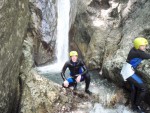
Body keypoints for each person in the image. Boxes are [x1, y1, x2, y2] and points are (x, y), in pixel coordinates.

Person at [121, 37, 150, 112]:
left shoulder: (135, 49)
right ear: (137, 46)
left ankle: (133, 107)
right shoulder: (139, 53)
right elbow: (147, 56)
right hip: (129, 72)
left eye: (144, 45)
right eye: (142, 46)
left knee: (135, 89)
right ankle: (137, 106)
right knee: (144, 88)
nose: (144, 47)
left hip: (127, 70)